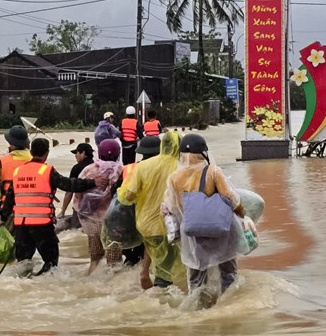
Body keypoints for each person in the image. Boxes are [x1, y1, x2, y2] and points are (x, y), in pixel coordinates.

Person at [162, 133, 245, 305]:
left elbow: (171, 208)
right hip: (220, 231)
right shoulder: (213, 171)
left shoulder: (174, 178)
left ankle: (197, 310)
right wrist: (243, 214)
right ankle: (227, 308)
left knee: (196, 278)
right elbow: (230, 197)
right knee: (228, 273)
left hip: (192, 234)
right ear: (204, 152)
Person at [10, 137, 96, 277]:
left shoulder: (18, 171)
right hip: (42, 226)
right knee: (51, 262)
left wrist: (3, 216)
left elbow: (9, 199)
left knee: (23, 263)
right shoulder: (47, 171)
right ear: (47, 153)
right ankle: (44, 285)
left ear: (31, 152)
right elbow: (69, 185)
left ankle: (28, 285)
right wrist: (92, 182)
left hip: (21, 226)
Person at [116, 130, 186, 290]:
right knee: (166, 269)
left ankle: (145, 274)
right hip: (170, 225)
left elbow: (128, 195)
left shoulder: (143, 166)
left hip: (146, 224)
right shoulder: (182, 167)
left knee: (156, 251)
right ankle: (161, 298)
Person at [76, 139, 125, 273]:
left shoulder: (89, 170)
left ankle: (90, 279)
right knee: (114, 260)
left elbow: (78, 194)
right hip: (113, 220)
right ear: (118, 153)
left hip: (91, 220)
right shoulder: (121, 170)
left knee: (95, 257)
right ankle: (111, 288)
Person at [0, 125, 32, 231]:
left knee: (5, 243)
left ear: (11, 144)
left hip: (7, 211)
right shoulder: (34, 160)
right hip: (32, 212)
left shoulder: (3, 161)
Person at [58, 142, 94, 219]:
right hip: (96, 206)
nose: (75, 156)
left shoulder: (77, 168)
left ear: (83, 153)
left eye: (76, 153)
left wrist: (62, 211)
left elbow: (69, 191)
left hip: (81, 208)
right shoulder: (97, 166)